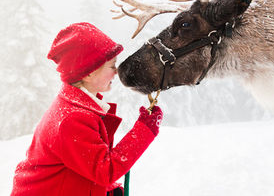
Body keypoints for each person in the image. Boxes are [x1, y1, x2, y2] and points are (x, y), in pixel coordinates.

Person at [11, 22, 163, 196]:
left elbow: (81, 165)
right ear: (89, 73)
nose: (116, 72)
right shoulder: (73, 119)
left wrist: (105, 190)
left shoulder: (74, 107)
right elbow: (106, 170)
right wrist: (144, 130)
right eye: (112, 66)